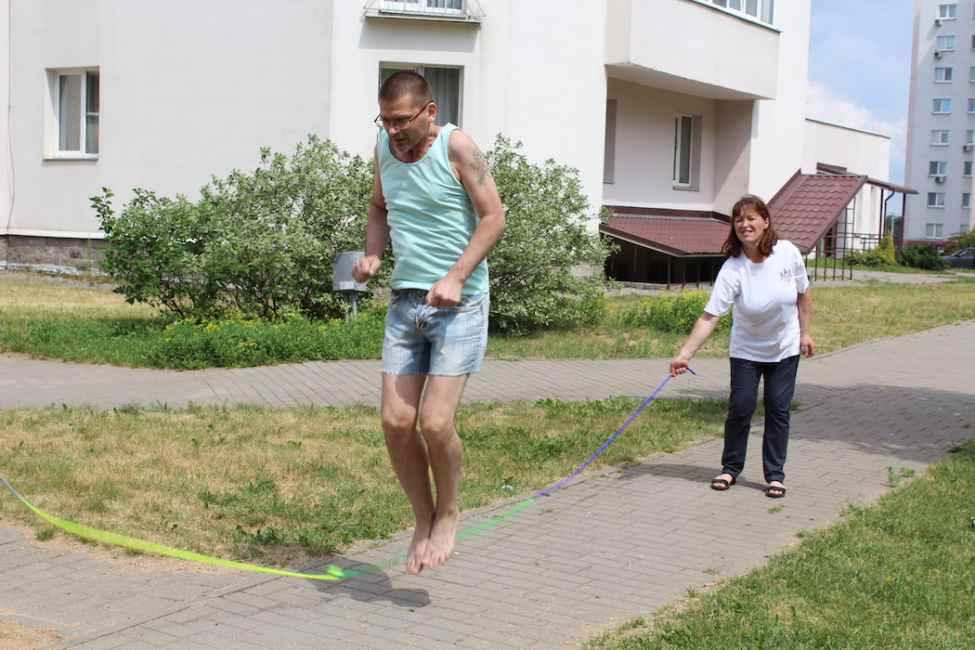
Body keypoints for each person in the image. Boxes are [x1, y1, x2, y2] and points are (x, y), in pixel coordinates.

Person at [352, 71, 505, 574]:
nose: (394, 130)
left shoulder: (457, 147)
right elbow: (378, 206)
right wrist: (373, 254)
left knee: (436, 423)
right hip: (405, 302)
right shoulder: (382, 147)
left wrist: (457, 276)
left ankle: (449, 513)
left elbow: (494, 218)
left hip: (459, 304)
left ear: (430, 112)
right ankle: (423, 518)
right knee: (396, 423)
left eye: (402, 120)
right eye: (386, 120)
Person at [670, 195, 814, 498]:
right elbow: (710, 316)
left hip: (784, 349)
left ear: (765, 222)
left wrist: (805, 334)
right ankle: (730, 468)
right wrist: (685, 354)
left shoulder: (787, 253)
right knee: (741, 407)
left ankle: (775, 476)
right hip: (746, 350)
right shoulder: (733, 268)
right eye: (739, 219)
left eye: (751, 218)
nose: (744, 224)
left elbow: (803, 294)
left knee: (778, 410)